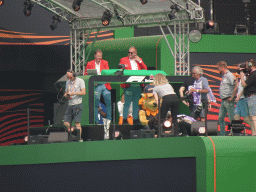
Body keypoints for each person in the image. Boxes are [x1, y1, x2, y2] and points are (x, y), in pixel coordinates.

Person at [85, 49, 112, 139]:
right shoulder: (90, 63)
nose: (100, 58)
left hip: (104, 84)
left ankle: (108, 119)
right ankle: (96, 121)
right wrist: (92, 80)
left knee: (108, 100)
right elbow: (86, 74)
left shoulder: (105, 62)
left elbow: (107, 72)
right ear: (94, 56)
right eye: (98, 56)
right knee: (96, 103)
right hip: (96, 85)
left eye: (101, 56)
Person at [119, 46, 147, 125]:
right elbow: (120, 69)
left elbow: (145, 68)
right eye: (129, 52)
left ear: (135, 53)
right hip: (129, 84)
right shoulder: (124, 59)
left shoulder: (138, 60)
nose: (130, 54)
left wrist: (140, 61)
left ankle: (135, 118)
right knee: (127, 102)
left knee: (136, 103)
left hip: (137, 84)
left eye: (131, 53)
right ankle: (124, 119)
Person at [63, 69, 86, 142]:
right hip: (70, 104)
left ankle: (79, 138)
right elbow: (66, 92)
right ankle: (72, 129)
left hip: (77, 104)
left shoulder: (80, 81)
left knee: (77, 123)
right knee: (65, 122)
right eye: (68, 77)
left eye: (70, 77)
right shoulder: (67, 82)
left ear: (74, 75)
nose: (69, 78)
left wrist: (74, 93)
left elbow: (83, 92)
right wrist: (66, 95)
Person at [217, 61, 238, 136]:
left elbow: (236, 85)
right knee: (220, 118)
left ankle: (234, 134)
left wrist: (232, 96)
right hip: (223, 100)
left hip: (229, 100)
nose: (218, 70)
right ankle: (222, 135)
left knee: (231, 118)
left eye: (218, 68)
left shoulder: (229, 75)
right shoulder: (224, 76)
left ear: (222, 67)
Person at [234, 63, 253, 134]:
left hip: (243, 99)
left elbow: (245, 88)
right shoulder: (241, 78)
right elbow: (238, 88)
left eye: (239, 69)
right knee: (236, 117)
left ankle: (254, 128)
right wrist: (236, 81)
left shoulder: (245, 77)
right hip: (240, 100)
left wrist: (238, 96)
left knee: (246, 119)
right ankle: (237, 134)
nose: (238, 70)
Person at [240, 59, 256, 136]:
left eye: (247, 65)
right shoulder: (251, 74)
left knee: (253, 116)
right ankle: (254, 134)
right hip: (249, 97)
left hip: (252, 97)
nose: (246, 67)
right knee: (250, 117)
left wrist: (242, 77)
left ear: (250, 65)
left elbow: (244, 85)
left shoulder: (254, 74)